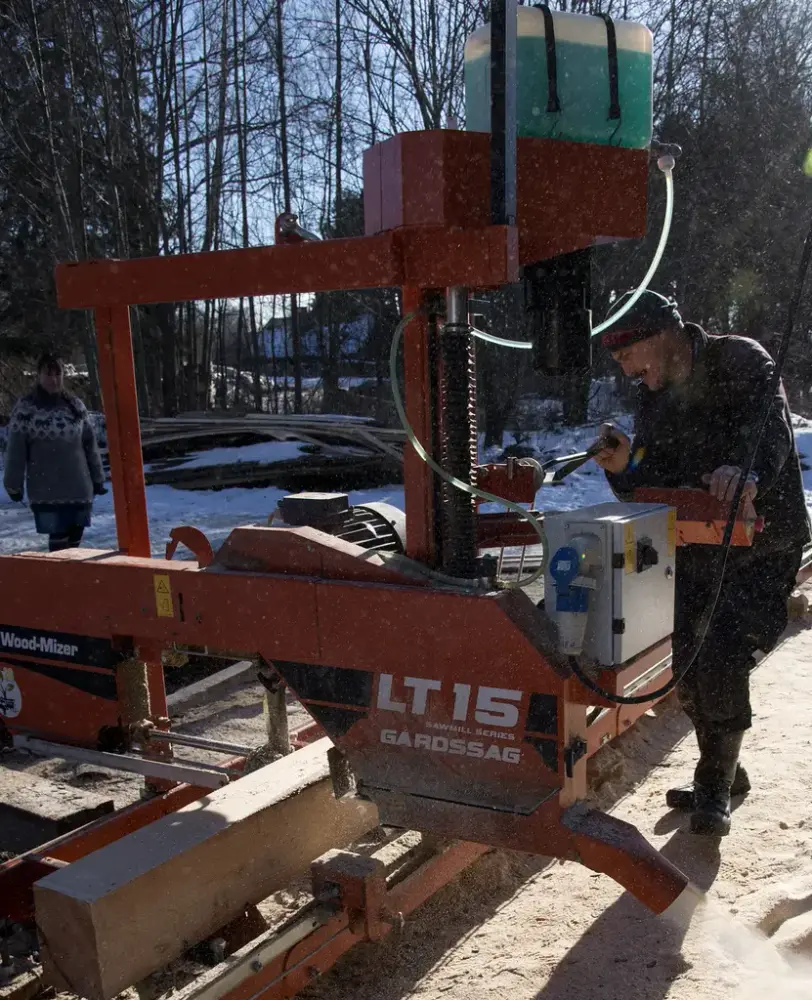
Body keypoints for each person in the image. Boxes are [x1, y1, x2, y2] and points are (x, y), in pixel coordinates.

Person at [593, 290, 810, 837]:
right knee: (688, 666)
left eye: (628, 354)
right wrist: (624, 466)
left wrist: (746, 472)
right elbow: (652, 470)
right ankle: (726, 767)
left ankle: (713, 782)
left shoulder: (741, 361)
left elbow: (770, 433)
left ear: (662, 335)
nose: (627, 370)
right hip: (698, 544)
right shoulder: (653, 395)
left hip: (763, 546)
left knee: (720, 655)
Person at [3, 354, 107, 552]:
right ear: (38, 376)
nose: (54, 379)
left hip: (79, 489)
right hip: (47, 491)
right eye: (48, 374)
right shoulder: (26, 409)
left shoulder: (75, 406)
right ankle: (59, 573)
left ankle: (73, 572)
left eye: (58, 374)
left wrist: (98, 477)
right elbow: (16, 451)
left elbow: (90, 445)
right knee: (59, 547)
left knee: (75, 546)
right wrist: (13, 485)